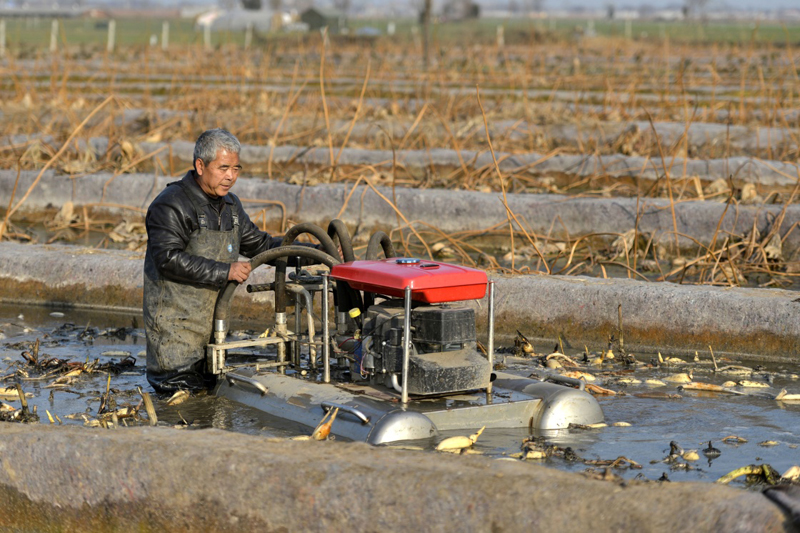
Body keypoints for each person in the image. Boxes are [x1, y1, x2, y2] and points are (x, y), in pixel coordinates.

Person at [143, 128, 311, 392]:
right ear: (200, 165)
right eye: (223, 168)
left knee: (211, 404)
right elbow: (168, 259)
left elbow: (262, 246)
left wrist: (312, 253)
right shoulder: (171, 205)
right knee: (182, 414)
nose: (231, 176)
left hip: (213, 337)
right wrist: (225, 270)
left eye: (236, 168)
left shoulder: (230, 206)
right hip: (174, 339)